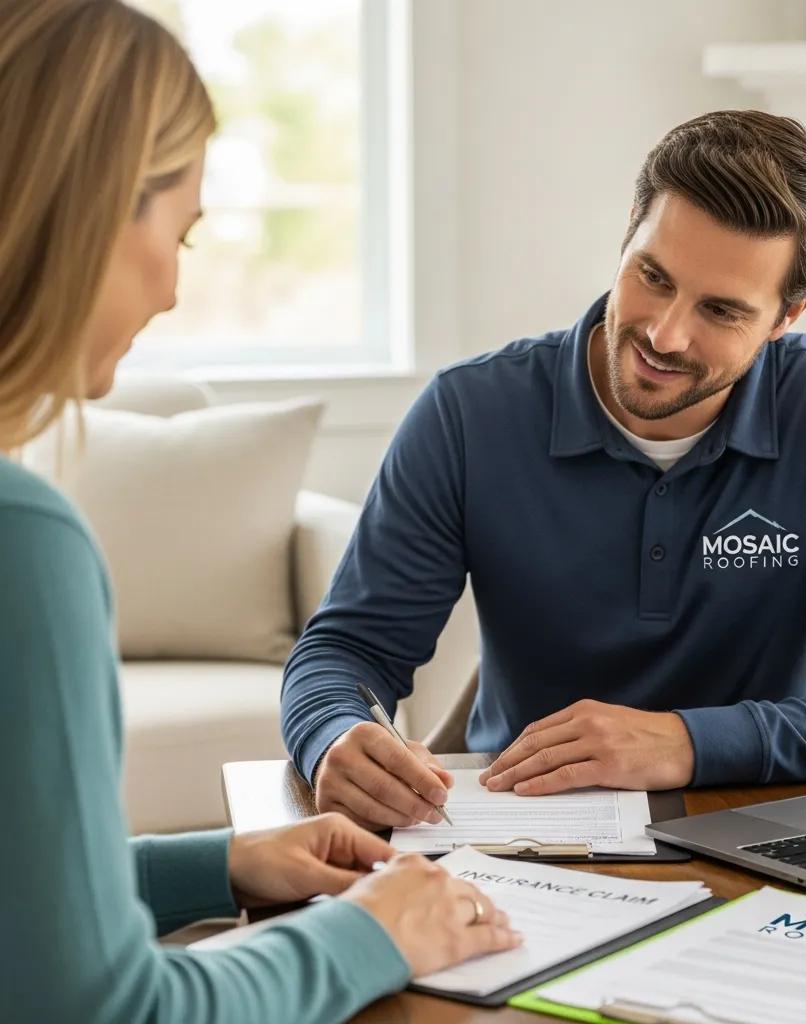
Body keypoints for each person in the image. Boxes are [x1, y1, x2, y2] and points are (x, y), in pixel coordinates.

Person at [0, 2, 520, 1021]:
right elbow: (102, 1008)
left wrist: (212, 863)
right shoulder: (24, 542)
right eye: (178, 232)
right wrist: (370, 930)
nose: (172, 292)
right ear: (91, 209)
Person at [282, 108, 806, 830]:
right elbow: (345, 651)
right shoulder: (470, 413)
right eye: (652, 275)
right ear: (628, 229)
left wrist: (688, 743)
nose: (663, 332)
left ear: (788, 313)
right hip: (517, 831)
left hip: (767, 826)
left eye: (721, 310)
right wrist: (334, 734)